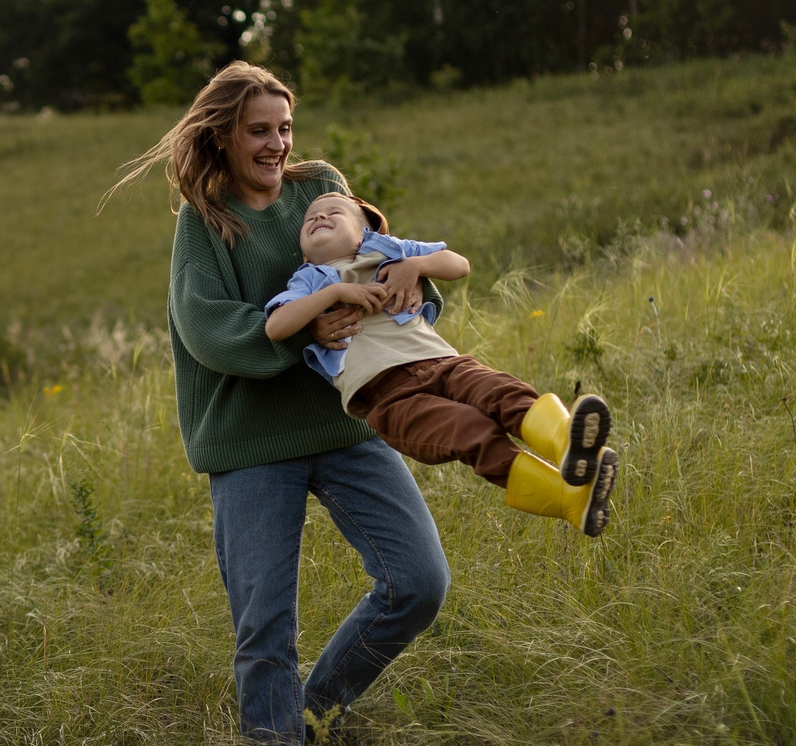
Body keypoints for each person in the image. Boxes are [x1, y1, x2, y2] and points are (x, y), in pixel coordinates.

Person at [106, 62, 447, 746]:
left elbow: (370, 260)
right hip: (251, 440)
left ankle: (314, 714)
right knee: (264, 629)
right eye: (258, 130)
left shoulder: (320, 187)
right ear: (223, 136)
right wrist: (305, 332)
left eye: (284, 127)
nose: (277, 144)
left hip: (344, 420)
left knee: (418, 581)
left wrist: (410, 277)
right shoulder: (206, 222)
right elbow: (205, 327)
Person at [263, 190, 619, 537]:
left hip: (442, 362)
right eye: (310, 219)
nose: (319, 216)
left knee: (502, 391)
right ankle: (568, 500)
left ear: (365, 231)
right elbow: (276, 327)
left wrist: (415, 265)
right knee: (469, 431)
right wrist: (334, 293)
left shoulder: (388, 251)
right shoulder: (308, 280)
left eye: (334, 212)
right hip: (388, 396)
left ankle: (565, 442)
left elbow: (459, 265)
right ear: (304, 252)